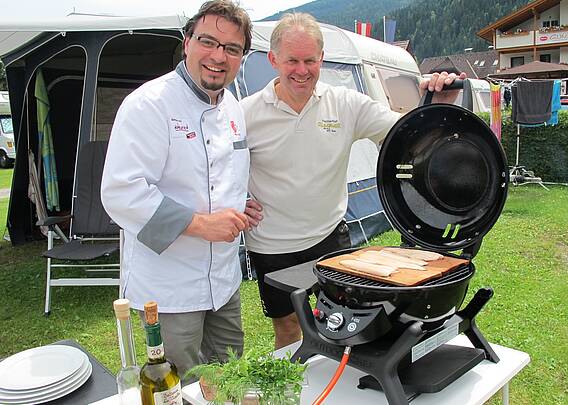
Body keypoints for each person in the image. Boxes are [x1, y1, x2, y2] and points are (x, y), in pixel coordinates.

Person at [241, 12, 463, 349]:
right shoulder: (246, 113)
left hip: (329, 237)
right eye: (292, 61)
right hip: (272, 246)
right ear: (273, 60)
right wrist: (234, 201)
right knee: (288, 332)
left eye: (310, 61)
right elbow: (218, 170)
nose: (302, 70)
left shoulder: (345, 104)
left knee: (347, 327)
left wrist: (437, 105)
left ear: (322, 59)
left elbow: (406, 134)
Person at [101, 0, 254, 376]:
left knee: (229, 373)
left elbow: (223, 176)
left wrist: (242, 203)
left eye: (232, 48)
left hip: (224, 278)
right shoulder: (148, 105)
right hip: (170, 284)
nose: (218, 56)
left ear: (242, 57)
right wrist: (203, 225)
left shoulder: (233, 108)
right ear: (186, 42)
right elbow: (121, 192)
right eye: (208, 41)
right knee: (178, 380)